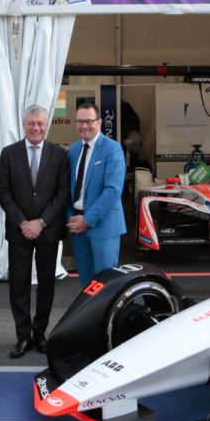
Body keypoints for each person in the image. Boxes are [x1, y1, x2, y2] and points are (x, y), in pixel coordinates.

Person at [0, 105, 70, 359]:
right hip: (20, 231)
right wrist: (23, 222)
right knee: (19, 285)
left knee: (46, 285)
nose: (36, 128)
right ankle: (23, 337)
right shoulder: (9, 153)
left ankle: (40, 334)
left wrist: (42, 222)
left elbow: (63, 193)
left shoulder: (59, 154)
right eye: (31, 123)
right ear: (24, 125)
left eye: (40, 123)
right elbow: (3, 191)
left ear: (46, 126)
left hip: (48, 231)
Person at [65, 101, 126, 284]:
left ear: (99, 122)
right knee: (87, 284)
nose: (84, 126)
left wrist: (87, 219)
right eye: (80, 121)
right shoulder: (74, 150)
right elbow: (68, 188)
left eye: (89, 121)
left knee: (105, 284)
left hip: (103, 227)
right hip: (78, 228)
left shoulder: (112, 149)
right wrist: (71, 218)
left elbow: (113, 191)